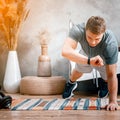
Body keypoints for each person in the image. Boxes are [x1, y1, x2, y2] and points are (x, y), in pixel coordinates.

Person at [62, 16, 119, 111]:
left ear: (103, 33)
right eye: (89, 37)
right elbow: (65, 51)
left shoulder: (110, 43)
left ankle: (104, 85)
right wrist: (89, 60)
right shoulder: (78, 30)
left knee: (107, 77)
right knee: (77, 72)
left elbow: (112, 74)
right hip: (86, 54)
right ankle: (71, 83)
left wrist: (113, 101)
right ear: (85, 30)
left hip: (103, 59)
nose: (93, 42)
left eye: (97, 39)